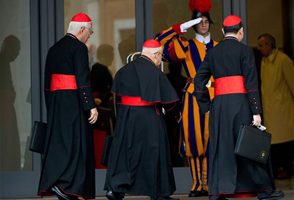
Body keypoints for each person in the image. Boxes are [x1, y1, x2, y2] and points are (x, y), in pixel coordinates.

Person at [194, 15, 284, 200]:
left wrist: (206, 106)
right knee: (248, 145)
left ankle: (218, 191)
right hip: (242, 104)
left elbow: (198, 81)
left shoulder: (212, 53)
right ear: (241, 32)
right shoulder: (245, 51)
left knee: (222, 145)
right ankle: (263, 190)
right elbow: (251, 84)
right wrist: (256, 112)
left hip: (220, 105)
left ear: (222, 32)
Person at [155, 0, 217, 197]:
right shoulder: (187, 46)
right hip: (192, 96)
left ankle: (212, 183)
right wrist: (180, 28)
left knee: (214, 140)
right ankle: (198, 184)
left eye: (206, 21)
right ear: (193, 24)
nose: (204, 24)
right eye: (199, 21)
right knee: (194, 140)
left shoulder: (218, 46)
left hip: (216, 96)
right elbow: (159, 42)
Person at [104, 39, 179, 200]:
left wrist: (123, 116)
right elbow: (170, 101)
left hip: (127, 117)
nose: (160, 61)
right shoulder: (155, 72)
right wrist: (176, 115)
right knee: (154, 153)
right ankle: (159, 192)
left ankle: (115, 188)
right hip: (150, 118)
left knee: (124, 153)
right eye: (160, 57)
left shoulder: (123, 71)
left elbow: (116, 98)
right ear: (156, 55)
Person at [38, 12, 98, 200]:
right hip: (74, 102)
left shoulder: (53, 48)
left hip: (57, 102)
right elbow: (82, 79)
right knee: (77, 144)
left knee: (61, 144)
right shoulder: (79, 48)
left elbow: (47, 83)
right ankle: (68, 187)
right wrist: (90, 105)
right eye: (90, 31)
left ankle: (58, 183)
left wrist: (51, 105)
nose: (90, 34)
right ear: (81, 29)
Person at [257, 33, 294, 179]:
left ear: (269, 45)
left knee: (284, 142)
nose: (259, 48)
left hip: (283, 109)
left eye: (261, 45)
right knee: (274, 143)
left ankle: (285, 169)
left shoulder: (283, 60)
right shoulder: (264, 62)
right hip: (270, 109)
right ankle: (279, 170)